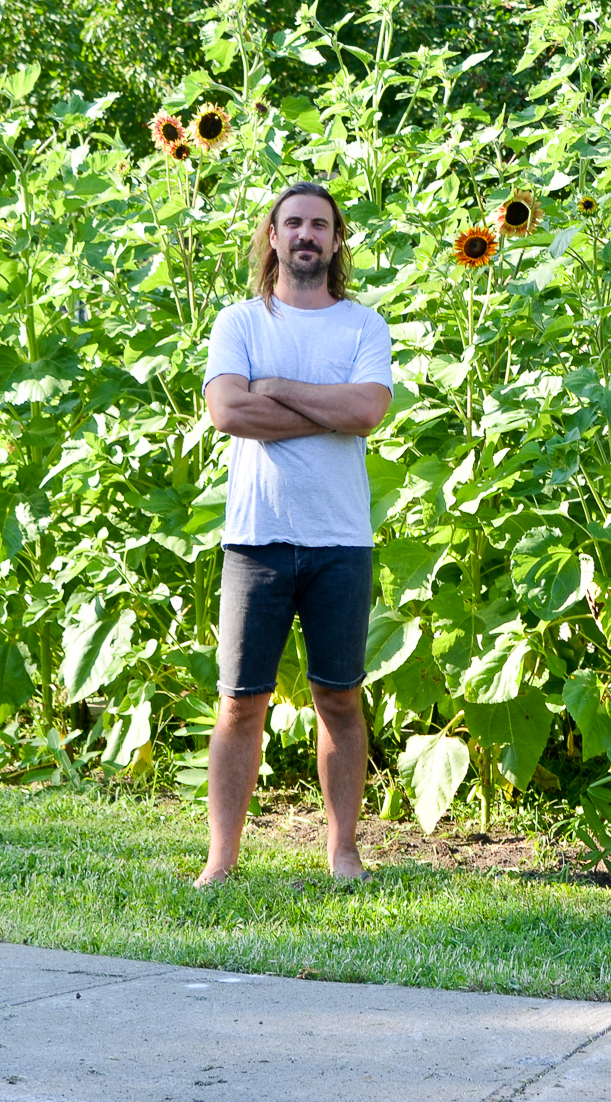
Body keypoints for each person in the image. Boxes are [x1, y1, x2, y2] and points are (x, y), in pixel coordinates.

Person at [197, 182, 393, 884]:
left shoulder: (363, 326)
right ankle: (221, 861)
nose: (307, 234)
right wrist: (327, 411)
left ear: (337, 240)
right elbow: (227, 411)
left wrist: (275, 388)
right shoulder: (241, 321)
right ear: (272, 237)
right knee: (239, 703)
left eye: (320, 224)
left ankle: (344, 853)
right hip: (257, 539)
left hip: (342, 540)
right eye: (294, 224)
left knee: (338, 697)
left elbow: (369, 408)